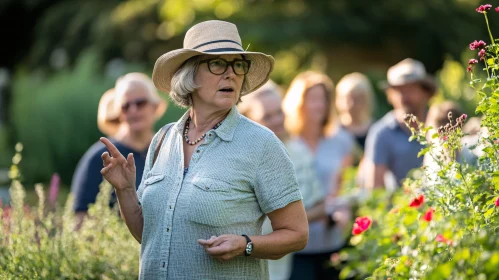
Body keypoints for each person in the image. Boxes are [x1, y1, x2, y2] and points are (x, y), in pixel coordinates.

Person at [99, 20, 309, 280]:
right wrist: (125, 189)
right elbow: (151, 234)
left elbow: (297, 235)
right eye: (218, 63)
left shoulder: (261, 144)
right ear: (189, 74)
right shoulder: (163, 139)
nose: (231, 74)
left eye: (238, 64)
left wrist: (245, 244)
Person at [238, 80, 325, 280]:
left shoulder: (298, 151)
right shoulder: (238, 157)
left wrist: (288, 221)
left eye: (280, 112)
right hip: (234, 261)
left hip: (276, 265)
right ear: (248, 119)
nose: (277, 120)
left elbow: (319, 205)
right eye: (267, 116)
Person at [282, 71, 354, 280]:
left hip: (333, 243)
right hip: (297, 248)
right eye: (312, 99)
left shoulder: (341, 141)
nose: (319, 105)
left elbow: (346, 184)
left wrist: (343, 209)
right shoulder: (285, 143)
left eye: (323, 99)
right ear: (298, 103)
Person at [71, 73, 166, 223]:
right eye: (125, 106)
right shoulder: (100, 156)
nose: (133, 110)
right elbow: (80, 220)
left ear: (155, 106)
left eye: (140, 103)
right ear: (119, 113)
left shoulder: (168, 150)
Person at [364, 58, 436, 190]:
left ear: (425, 93)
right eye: (399, 91)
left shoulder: (438, 125)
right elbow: (375, 188)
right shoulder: (382, 133)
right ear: (389, 96)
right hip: (402, 207)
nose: (404, 97)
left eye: (410, 89)